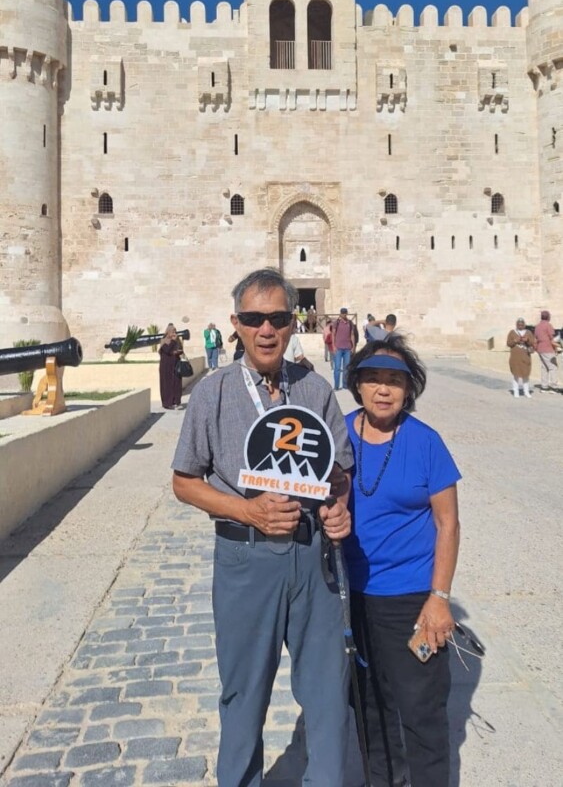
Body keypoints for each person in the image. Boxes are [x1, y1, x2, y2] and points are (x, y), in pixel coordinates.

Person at [171, 268, 354, 787]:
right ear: (237, 324)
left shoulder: (315, 390)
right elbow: (185, 482)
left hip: (313, 559)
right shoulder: (214, 394)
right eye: (254, 319)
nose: (266, 329)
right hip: (245, 561)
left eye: (277, 317)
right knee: (243, 693)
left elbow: (339, 473)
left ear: (293, 322)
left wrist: (339, 507)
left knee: (326, 694)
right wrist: (247, 511)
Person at [343, 335, 461, 787]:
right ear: (358, 385)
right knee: (368, 708)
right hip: (350, 597)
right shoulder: (338, 435)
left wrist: (439, 598)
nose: (384, 389)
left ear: (409, 389)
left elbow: (447, 524)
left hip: (410, 600)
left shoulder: (426, 442)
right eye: (373, 379)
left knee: (421, 712)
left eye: (395, 380)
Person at [506, 318, 536, 397]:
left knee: (525, 374)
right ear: (516, 325)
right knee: (515, 374)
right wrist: (515, 340)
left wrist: (527, 340)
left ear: (524, 325)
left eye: (522, 324)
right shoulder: (512, 332)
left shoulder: (528, 332)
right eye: (519, 324)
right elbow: (509, 343)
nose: (520, 326)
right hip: (515, 357)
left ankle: (526, 391)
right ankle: (516, 391)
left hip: (525, 356)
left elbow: (532, 342)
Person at [158, 323, 184, 409]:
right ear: (168, 332)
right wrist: (173, 341)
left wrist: (178, 350)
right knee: (167, 384)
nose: (174, 333)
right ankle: (167, 403)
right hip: (166, 366)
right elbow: (167, 350)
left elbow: (180, 350)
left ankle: (177, 402)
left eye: (175, 331)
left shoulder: (177, 340)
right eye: (173, 331)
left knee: (177, 384)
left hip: (176, 365)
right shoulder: (164, 340)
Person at [331, 307, 356, 390]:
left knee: (346, 367)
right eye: (343, 313)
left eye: (345, 313)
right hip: (338, 348)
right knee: (337, 368)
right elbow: (333, 334)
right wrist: (334, 346)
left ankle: (345, 385)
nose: (344, 314)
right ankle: (337, 386)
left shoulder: (350, 323)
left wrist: (353, 346)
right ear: (340, 313)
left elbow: (352, 334)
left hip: (347, 348)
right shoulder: (337, 323)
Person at [534, 310, 559, 393]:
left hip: (540, 349)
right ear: (548, 317)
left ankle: (544, 386)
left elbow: (536, 338)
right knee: (553, 367)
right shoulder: (548, 325)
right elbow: (552, 338)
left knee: (544, 367)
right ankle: (553, 387)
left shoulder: (537, 326)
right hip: (548, 348)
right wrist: (558, 346)